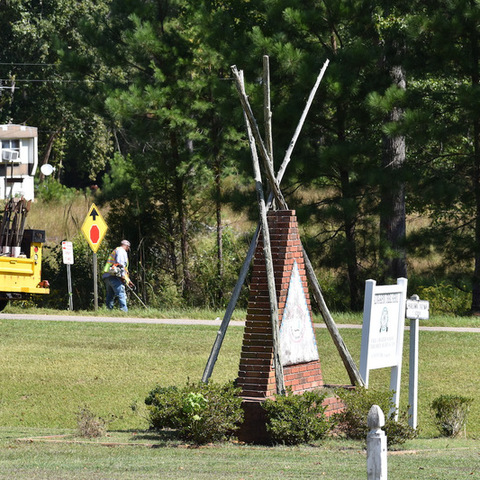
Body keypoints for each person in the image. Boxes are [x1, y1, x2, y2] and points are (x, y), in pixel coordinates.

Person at [102, 239, 133, 312]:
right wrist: (122, 277)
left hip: (107, 276)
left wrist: (128, 281)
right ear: (127, 246)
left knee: (110, 295)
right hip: (115, 277)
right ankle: (124, 311)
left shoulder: (116, 250)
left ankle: (108, 311)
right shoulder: (121, 251)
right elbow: (120, 265)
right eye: (128, 248)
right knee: (121, 294)